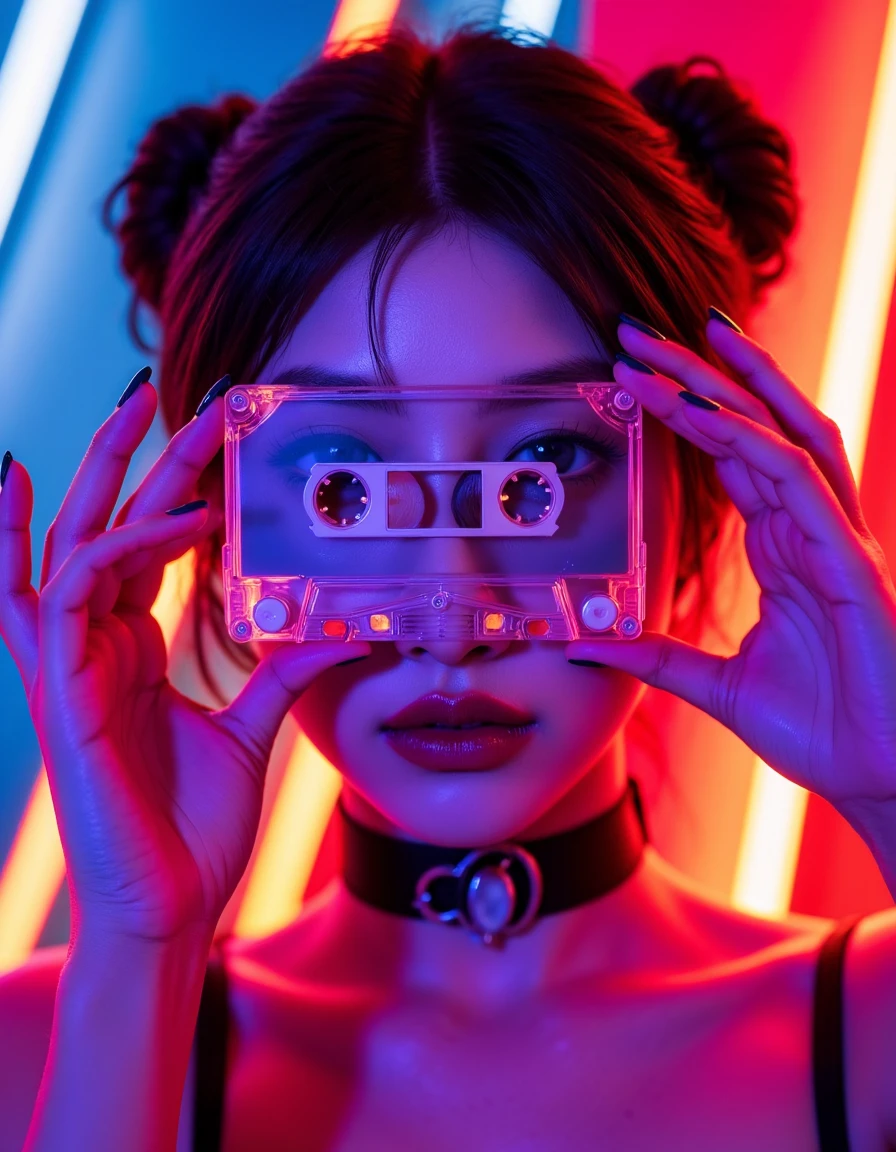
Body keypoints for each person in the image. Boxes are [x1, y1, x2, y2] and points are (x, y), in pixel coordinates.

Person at [0, 19, 894, 1152]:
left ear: (701, 486)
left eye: (537, 473)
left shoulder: (864, 1034)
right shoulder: (36, 1054)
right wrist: (137, 952)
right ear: (218, 527)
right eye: (342, 487)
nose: (449, 621)